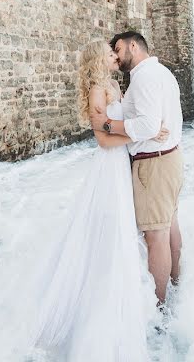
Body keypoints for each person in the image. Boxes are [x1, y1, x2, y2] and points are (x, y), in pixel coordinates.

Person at [30, 40, 165, 361]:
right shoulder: (96, 90)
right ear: (97, 61)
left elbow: (122, 121)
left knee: (125, 224)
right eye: (108, 53)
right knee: (112, 226)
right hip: (110, 167)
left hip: (124, 162)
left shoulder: (116, 85)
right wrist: (144, 133)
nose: (114, 56)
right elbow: (104, 139)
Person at [93, 31, 184, 305]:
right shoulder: (162, 73)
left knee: (155, 235)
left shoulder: (144, 77)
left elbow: (147, 126)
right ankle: (177, 287)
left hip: (154, 164)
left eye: (118, 49)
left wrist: (109, 125)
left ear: (134, 45)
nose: (117, 56)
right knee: (169, 227)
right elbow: (151, 125)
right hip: (171, 158)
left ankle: (159, 307)